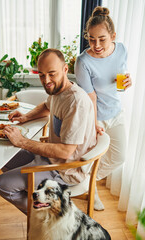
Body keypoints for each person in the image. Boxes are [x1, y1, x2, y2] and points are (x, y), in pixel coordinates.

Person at [0, 48, 96, 215]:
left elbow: (65, 152)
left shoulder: (76, 101)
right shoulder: (58, 90)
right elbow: (46, 105)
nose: (46, 80)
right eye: (41, 75)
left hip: (64, 171)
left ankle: (51, 218)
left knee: (3, 184)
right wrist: (25, 117)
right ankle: (43, 202)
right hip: (49, 158)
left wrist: (22, 142)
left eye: (51, 74)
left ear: (65, 70)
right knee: (3, 157)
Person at [75, 6, 132, 210]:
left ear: (113, 36)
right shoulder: (83, 62)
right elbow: (90, 97)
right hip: (95, 115)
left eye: (102, 39)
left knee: (120, 156)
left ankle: (88, 181)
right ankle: (92, 189)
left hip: (116, 112)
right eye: (91, 39)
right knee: (90, 156)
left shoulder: (122, 50)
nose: (96, 44)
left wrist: (127, 82)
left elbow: (120, 79)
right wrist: (94, 123)